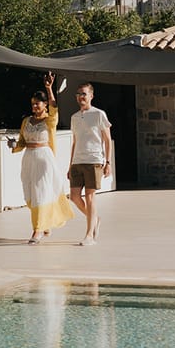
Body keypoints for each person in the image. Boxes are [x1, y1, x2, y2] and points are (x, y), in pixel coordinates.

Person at [8, 70, 74, 244]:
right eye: (33, 104)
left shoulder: (49, 121)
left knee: (40, 193)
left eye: (37, 103)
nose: (34, 106)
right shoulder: (26, 121)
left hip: (44, 158)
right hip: (28, 159)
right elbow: (22, 141)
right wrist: (14, 145)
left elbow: (54, 107)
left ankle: (37, 230)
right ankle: (45, 222)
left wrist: (49, 88)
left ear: (45, 105)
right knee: (29, 193)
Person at [69, 83, 111, 246]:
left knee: (90, 196)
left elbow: (107, 140)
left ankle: (89, 236)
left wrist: (108, 162)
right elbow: (74, 142)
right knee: (74, 196)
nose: (81, 96)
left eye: (84, 93)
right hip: (77, 161)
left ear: (91, 96)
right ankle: (95, 219)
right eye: (78, 93)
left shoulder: (99, 114)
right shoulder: (74, 117)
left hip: (94, 160)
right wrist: (70, 165)